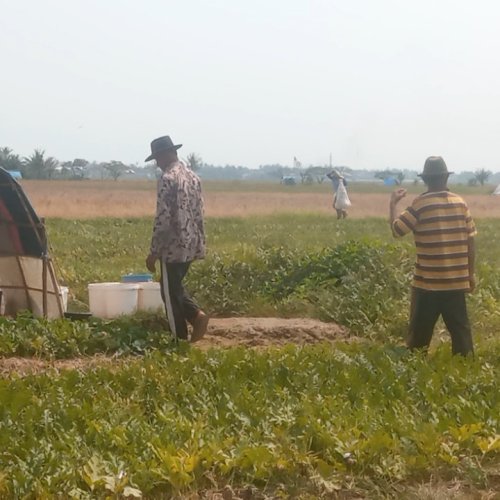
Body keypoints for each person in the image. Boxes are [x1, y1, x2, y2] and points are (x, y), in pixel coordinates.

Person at [389, 156, 476, 356]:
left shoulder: (420, 204)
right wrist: (470, 274)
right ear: (446, 178)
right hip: (456, 282)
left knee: (418, 342)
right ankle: (465, 374)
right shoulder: (460, 203)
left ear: (426, 180)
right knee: (462, 336)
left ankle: (416, 372)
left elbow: (397, 230)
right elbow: (471, 242)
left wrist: (393, 204)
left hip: (427, 285)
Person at [145, 135, 209, 343]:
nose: (157, 163)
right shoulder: (192, 177)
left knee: (169, 295)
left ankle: (179, 338)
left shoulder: (167, 179)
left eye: (158, 158)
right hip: (191, 243)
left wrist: (154, 252)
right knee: (174, 287)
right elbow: (200, 213)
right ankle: (196, 316)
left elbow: (163, 218)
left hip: (172, 246)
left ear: (166, 155)